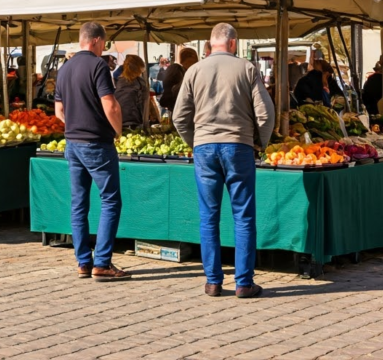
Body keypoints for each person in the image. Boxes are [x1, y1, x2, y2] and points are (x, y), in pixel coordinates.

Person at [172, 24, 274, 299]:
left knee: (208, 216)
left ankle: (213, 281)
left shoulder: (193, 70)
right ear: (233, 43)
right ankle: (243, 282)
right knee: (243, 215)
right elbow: (265, 114)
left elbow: (179, 117)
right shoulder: (247, 69)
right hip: (238, 146)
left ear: (210, 43)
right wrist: (259, 144)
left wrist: (195, 140)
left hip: (204, 148)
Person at [54, 22, 129, 281]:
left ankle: (83, 261)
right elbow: (111, 106)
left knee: (79, 204)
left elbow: (58, 111)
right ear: (96, 41)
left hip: (72, 143)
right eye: (104, 44)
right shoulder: (99, 66)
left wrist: (75, 125)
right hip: (96, 143)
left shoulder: (64, 69)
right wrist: (118, 132)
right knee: (110, 200)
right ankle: (103, 262)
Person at [114, 55, 152, 129]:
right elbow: (141, 104)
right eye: (140, 72)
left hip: (120, 122)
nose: (140, 73)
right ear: (135, 70)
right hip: (133, 123)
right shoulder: (138, 83)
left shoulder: (118, 81)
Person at [159, 48, 199, 112]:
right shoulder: (176, 69)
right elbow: (178, 90)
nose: (197, 62)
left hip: (180, 108)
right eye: (195, 59)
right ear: (191, 58)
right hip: (178, 108)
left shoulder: (184, 70)